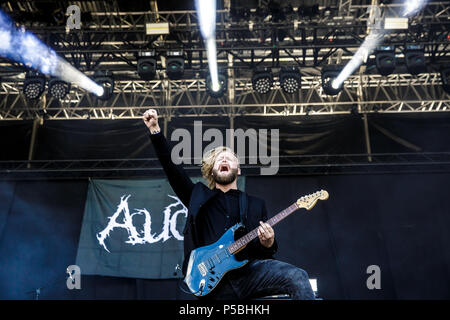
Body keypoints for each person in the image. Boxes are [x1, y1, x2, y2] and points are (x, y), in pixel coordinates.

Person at [143, 109, 315, 300]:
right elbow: (172, 169)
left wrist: (268, 242)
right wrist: (156, 131)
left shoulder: (255, 204)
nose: (224, 159)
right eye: (218, 159)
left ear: (238, 170)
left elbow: (261, 250)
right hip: (212, 281)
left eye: (229, 158)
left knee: (297, 276)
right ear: (212, 170)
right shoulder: (197, 196)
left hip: (248, 274)